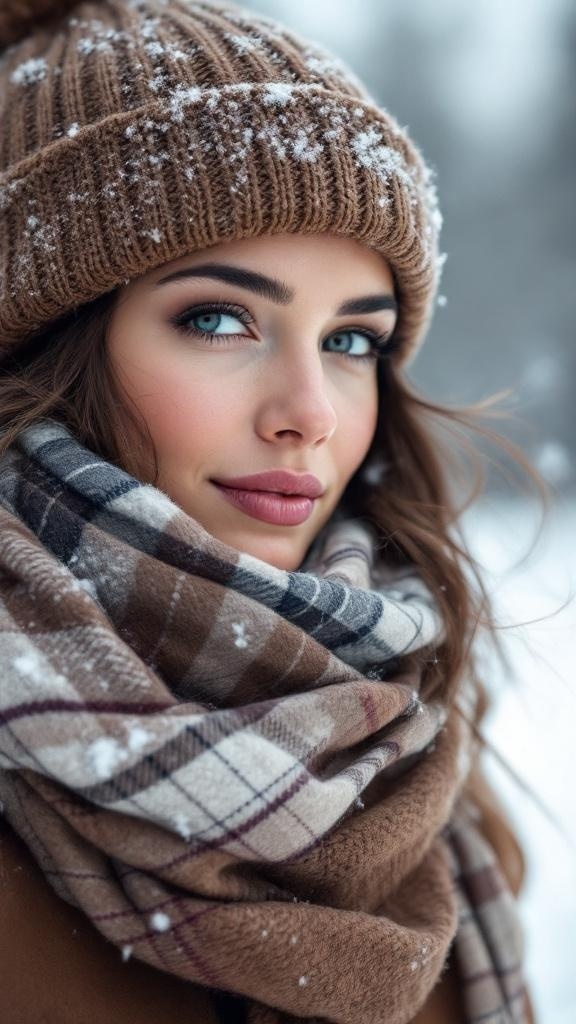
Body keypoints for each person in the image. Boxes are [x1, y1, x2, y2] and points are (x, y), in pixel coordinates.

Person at [0, 1, 536, 1022]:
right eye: (218, 318)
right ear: (51, 345)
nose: (309, 414)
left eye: (351, 341)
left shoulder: (417, 771)